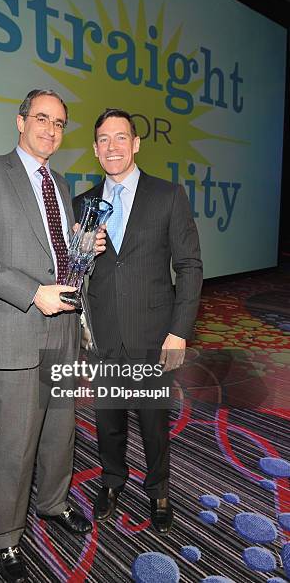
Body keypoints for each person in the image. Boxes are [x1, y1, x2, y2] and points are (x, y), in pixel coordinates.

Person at [0, 89, 105, 583]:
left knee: (60, 429)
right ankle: (6, 536)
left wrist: (85, 248)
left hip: (62, 322)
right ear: (20, 122)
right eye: (41, 119)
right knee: (17, 440)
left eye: (60, 123)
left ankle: (53, 503)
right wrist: (33, 292)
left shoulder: (60, 183)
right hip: (18, 323)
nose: (51, 130)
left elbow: (52, 250)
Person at [73, 108, 203, 534]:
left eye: (120, 137)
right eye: (104, 140)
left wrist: (179, 331)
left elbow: (189, 267)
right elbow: (73, 272)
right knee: (107, 420)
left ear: (136, 143)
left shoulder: (168, 196)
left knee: (153, 422)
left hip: (153, 333)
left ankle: (159, 488)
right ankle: (112, 481)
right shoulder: (84, 204)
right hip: (106, 333)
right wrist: (80, 252)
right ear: (95, 149)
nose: (113, 146)